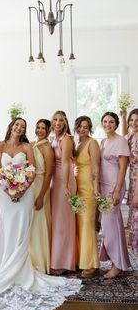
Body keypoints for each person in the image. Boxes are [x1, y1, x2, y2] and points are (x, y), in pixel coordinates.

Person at [0, 118, 82, 310]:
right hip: (4, 194)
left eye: (23, 125)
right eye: (16, 124)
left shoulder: (27, 146)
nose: (19, 127)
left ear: (24, 130)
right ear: (11, 126)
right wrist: (9, 188)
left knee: (22, 230)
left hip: (25, 193)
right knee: (7, 228)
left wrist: (21, 189)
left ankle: (21, 268)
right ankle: (5, 267)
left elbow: (31, 170)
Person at [100, 111, 131, 278]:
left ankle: (117, 265)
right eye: (105, 121)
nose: (107, 124)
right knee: (109, 227)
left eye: (111, 122)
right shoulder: (104, 141)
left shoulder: (120, 141)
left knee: (111, 227)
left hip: (114, 187)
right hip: (104, 187)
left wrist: (118, 190)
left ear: (116, 124)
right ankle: (116, 260)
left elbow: (123, 168)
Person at [50, 110, 77, 275]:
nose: (58, 122)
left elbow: (66, 163)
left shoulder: (66, 139)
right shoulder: (54, 138)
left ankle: (63, 262)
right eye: (55, 119)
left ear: (65, 122)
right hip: (56, 180)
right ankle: (57, 258)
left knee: (63, 222)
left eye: (61, 120)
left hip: (64, 181)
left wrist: (66, 184)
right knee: (57, 220)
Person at [74, 116, 100, 278]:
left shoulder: (93, 143)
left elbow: (96, 167)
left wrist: (96, 189)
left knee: (88, 226)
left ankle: (91, 265)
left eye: (86, 127)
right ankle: (82, 260)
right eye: (80, 126)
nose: (82, 129)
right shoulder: (77, 144)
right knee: (80, 226)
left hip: (89, 190)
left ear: (89, 128)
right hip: (77, 190)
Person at [29, 119, 54, 274]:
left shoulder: (47, 148)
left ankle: (40, 260)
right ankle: (29, 257)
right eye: (37, 127)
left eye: (43, 128)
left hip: (41, 187)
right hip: (29, 187)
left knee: (39, 221)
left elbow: (49, 174)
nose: (40, 130)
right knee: (30, 223)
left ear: (48, 130)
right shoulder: (31, 144)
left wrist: (41, 196)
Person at [121, 108, 138, 272]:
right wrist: (124, 117)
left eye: (137, 121)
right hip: (133, 182)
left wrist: (136, 194)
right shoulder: (132, 136)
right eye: (131, 120)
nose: (134, 123)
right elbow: (122, 141)